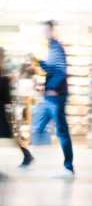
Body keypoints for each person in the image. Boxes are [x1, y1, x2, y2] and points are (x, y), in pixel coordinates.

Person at [27, 21, 74, 178]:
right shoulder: (51, 47)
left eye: (48, 30)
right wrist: (37, 61)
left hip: (56, 96)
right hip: (51, 97)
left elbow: (61, 71)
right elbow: (51, 68)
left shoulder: (56, 47)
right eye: (44, 30)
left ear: (52, 31)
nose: (45, 33)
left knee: (61, 131)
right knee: (43, 126)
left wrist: (53, 88)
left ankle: (68, 168)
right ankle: (28, 154)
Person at [0, 48, 34, 166]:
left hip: (2, 111)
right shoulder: (4, 72)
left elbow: (6, 96)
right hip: (3, 110)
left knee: (10, 136)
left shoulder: (4, 72)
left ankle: (27, 154)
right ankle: (27, 154)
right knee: (10, 136)